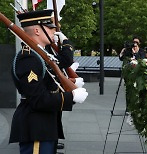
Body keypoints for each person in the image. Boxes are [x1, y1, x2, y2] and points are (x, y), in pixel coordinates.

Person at [9, 9, 88, 154]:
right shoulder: (29, 59)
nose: (54, 31)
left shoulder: (41, 54)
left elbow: (49, 81)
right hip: (35, 126)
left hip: (44, 125)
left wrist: (71, 84)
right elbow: (38, 99)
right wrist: (72, 96)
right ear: (38, 31)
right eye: (50, 28)